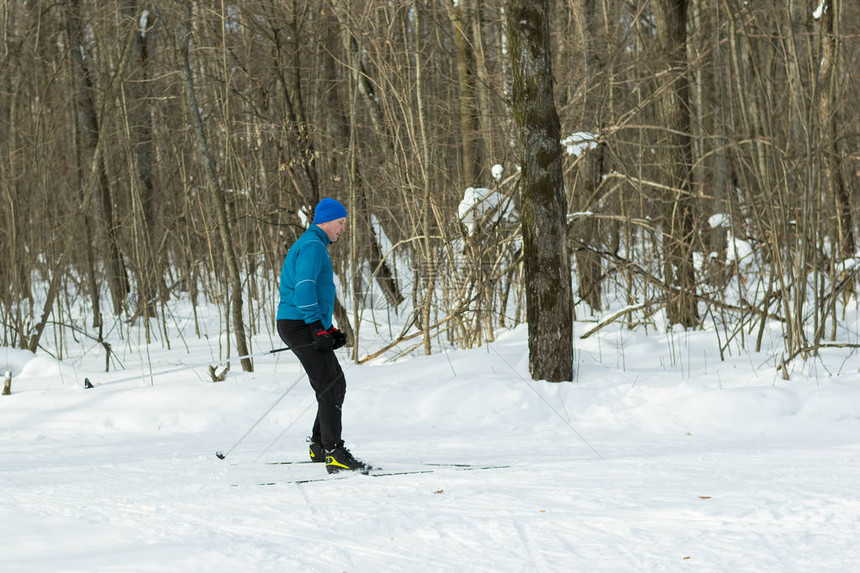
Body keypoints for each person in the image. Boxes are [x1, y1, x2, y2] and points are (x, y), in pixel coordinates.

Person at [276, 197, 370, 474]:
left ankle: (320, 445)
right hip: (298, 323)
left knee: (332, 382)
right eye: (340, 223)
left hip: (302, 322)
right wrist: (316, 327)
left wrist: (327, 329)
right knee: (331, 385)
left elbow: (311, 292)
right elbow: (304, 288)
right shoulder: (313, 246)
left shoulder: (313, 244)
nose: (343, 229)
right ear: (326, 220)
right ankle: (334, 451)